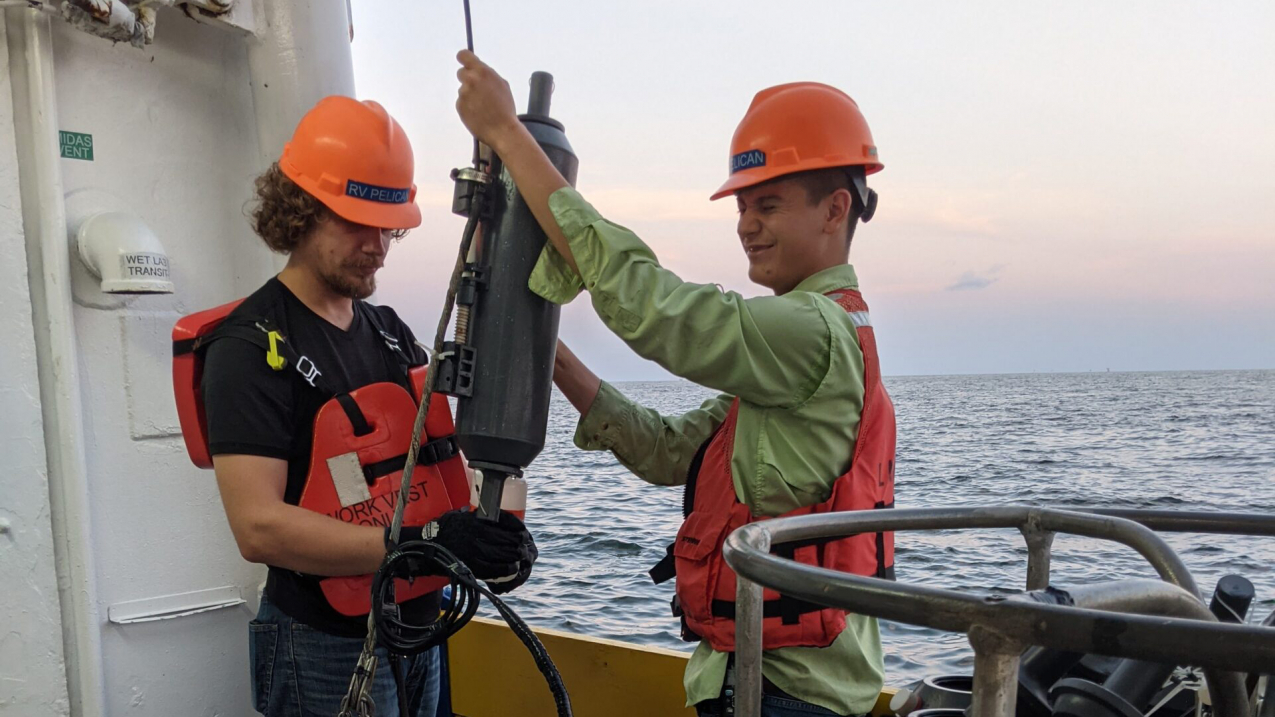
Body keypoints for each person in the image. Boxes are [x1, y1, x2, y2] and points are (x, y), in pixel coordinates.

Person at [455, 52, 896, 716]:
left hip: (783, 695)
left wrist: (509, 136)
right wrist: (550, 355)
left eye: (767, 204)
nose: (746, 224)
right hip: (782, 684)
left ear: (835, 209)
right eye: (742, 206)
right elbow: (667, 449)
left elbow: (659, 309)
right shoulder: (813, 347)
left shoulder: (808, 329)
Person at [200, 96, 536, 717]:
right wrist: (430, 540)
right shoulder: (250, 347)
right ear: (301, 211)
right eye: (358, 222)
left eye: (390, 227)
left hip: (418, 628)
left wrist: (492, 532)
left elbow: (437, 465)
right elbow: (258, 527)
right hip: (319, 641)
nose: (378, 245)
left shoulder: (388, 331)